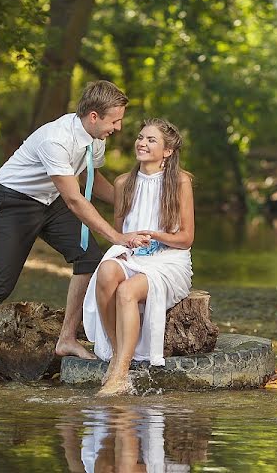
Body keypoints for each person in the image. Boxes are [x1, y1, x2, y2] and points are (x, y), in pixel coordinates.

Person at [0, 81, 151, 359]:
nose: (118, 127)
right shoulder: (56, 139)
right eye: (115, 120)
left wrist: (129, 202)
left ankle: (66, 339)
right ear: (93, 116)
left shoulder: (96, 139)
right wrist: (117, 236)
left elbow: (90, 177)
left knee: (88, 258)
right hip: (15, 202)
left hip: (50, 200)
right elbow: (75, 200)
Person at [82, 118, 194, 396]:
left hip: (168, 259)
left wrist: (155, 236)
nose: (142, 143)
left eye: (151, 140)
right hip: (133, 255)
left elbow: (186, 239)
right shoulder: (124, 183)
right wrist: (129, 242)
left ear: (167, 151)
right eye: (141, 137)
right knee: (106, 272)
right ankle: (119, 351)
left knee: (127, 292)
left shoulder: (180, 182)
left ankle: (119, 374)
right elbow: (121, 234)